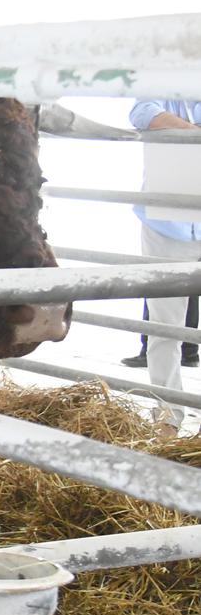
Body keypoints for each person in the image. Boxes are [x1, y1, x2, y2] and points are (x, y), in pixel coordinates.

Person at [130, 98, 201, 433]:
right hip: (166, 224)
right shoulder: (161, 83)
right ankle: (168, 416)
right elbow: (143, 113)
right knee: (164, 325)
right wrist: (193, 134)